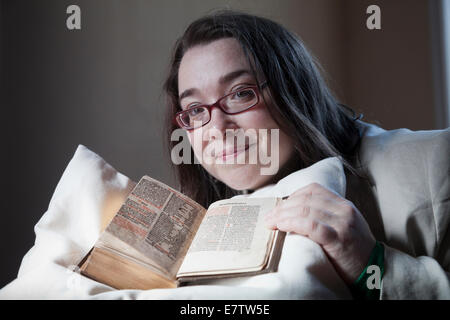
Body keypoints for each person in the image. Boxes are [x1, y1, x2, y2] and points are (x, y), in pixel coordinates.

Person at [163, 10, 450, 299]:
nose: (216, 128)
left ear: (293, 89)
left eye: (241, 93)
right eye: (196, 110)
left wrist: (371, 263)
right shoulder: (208, 220)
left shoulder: (437, 161)